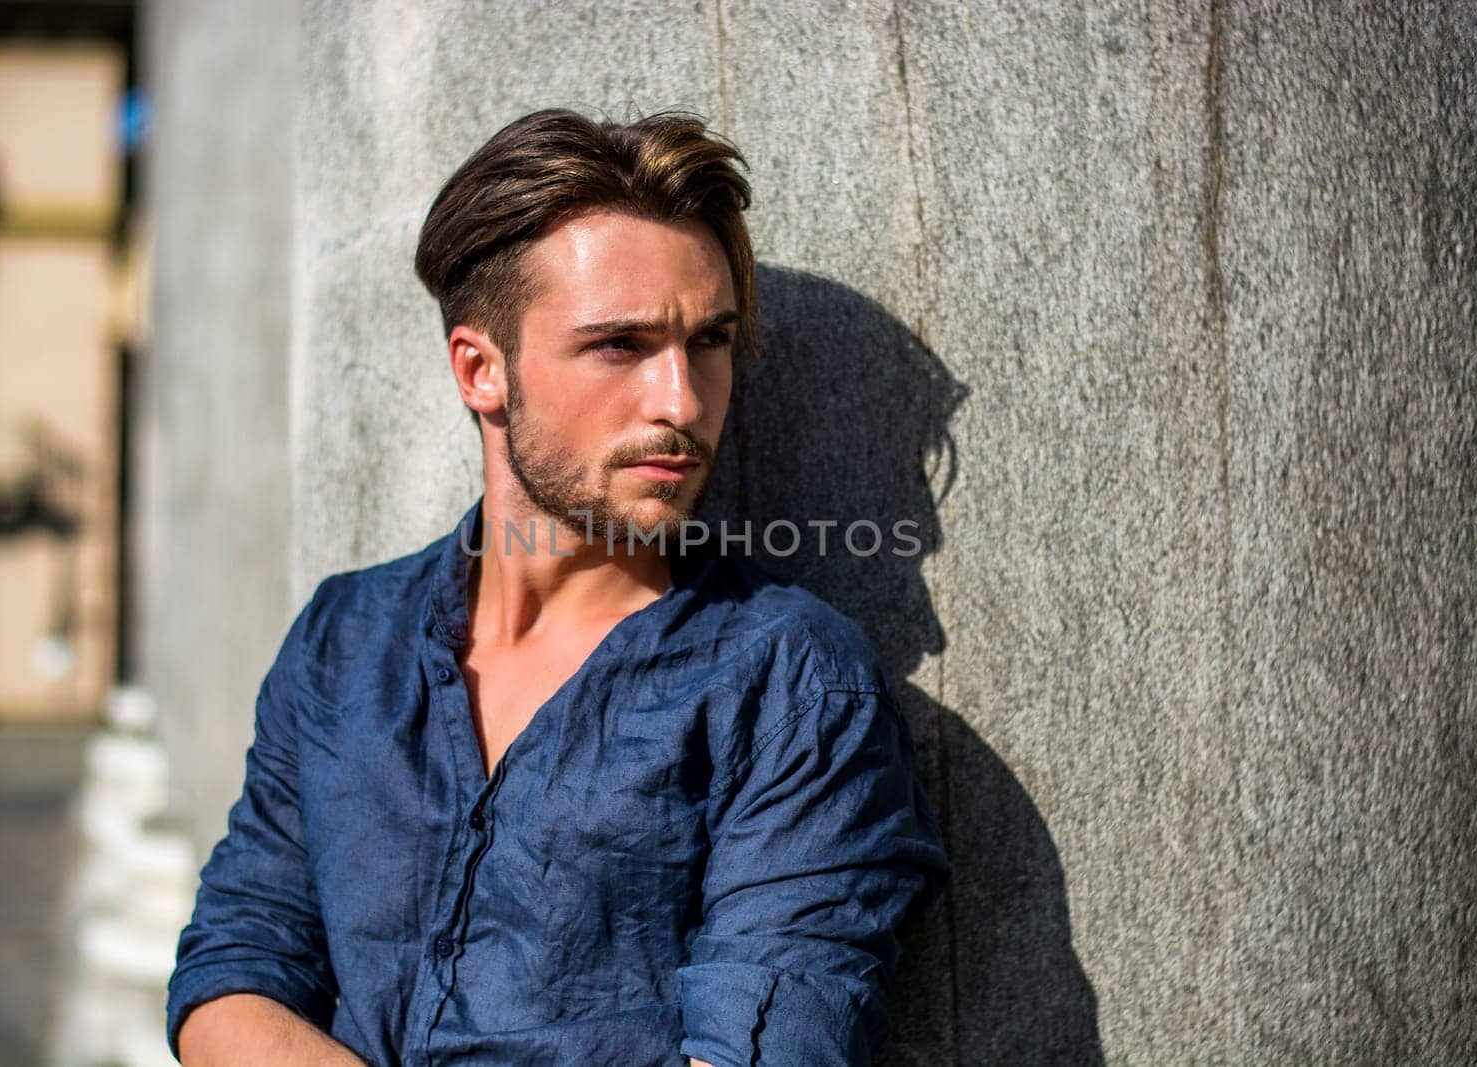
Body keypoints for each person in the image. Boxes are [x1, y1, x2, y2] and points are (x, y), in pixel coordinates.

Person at [166, 108, 950, 1067]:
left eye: (708, 341)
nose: (683, 400)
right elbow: (230, 971)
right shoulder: (346, 638)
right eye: (620, 345)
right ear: (481, 369)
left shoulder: (792, 682)